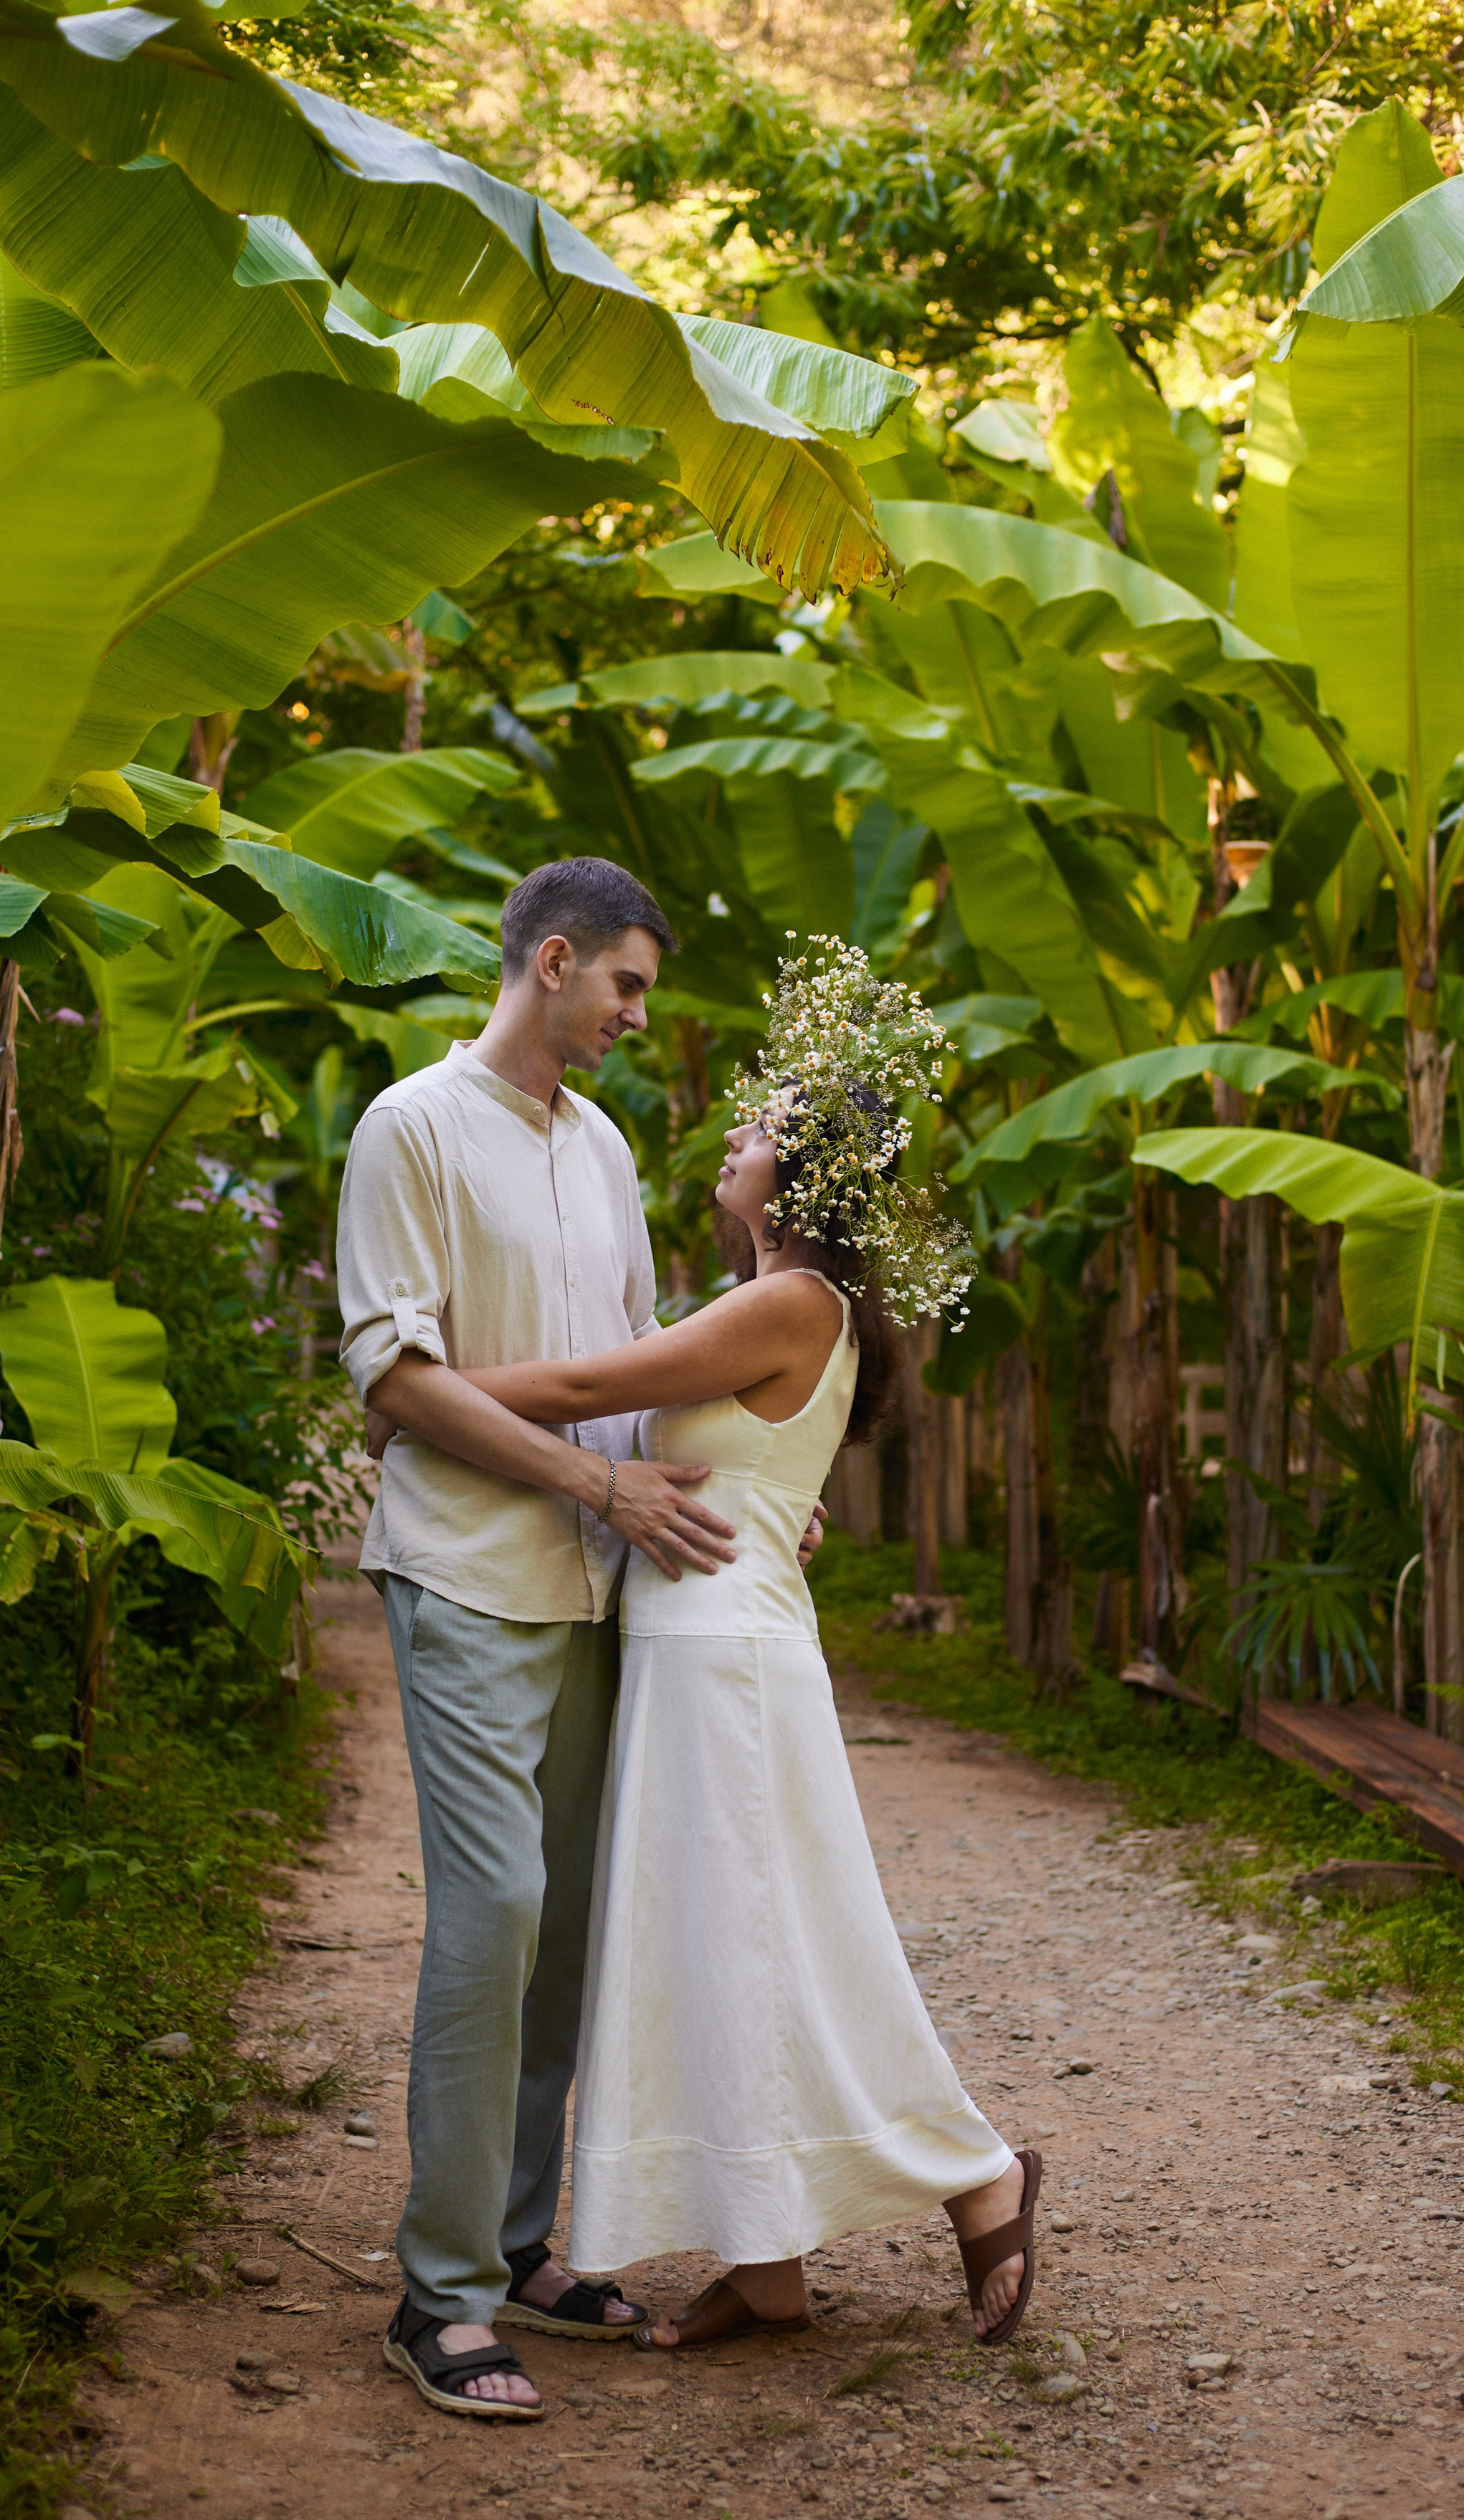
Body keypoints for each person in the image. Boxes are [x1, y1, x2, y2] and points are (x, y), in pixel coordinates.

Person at [434, 937, 1040, 2360]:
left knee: (791, 1942)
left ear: (798, 1180)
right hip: (698, 1647)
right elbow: (704, 1450)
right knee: (715, 1949)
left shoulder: (781, 1300)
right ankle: (766, 2263)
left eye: (758, 1133)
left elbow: (590, 1384)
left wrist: (423, 1381)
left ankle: (977, 2174)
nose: (733, 1140)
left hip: (726, 1661)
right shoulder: (784, 1307)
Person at [339, 854, 770, 2425]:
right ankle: (435, 2295)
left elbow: (631, 1371)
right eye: (628, 988)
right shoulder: (409, 1126)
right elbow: (395, 1376)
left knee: (571, 1934)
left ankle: (519, 2244)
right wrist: (593, 1475)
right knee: (494, 1915)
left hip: (599, 1588)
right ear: (554, 962)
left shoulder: (600, 1147)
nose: (635, 1019)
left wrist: (751, 1492)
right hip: (462, 1573)